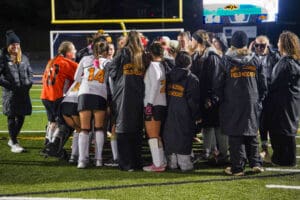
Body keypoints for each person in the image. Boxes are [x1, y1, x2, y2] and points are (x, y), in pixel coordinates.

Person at [216, 31, 267, 176]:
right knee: (251, 130)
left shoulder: (226, 60)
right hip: (252, 99)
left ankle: (237, 167)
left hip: (232, 101)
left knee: (235, 133)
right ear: (246, 42)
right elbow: (263, 84)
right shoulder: (255, 59)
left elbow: (218, 83)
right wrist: (258, 98)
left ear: (232, 43)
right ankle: (255, 162)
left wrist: (222, 98)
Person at [105, 31, 145, 171]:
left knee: (122, 127)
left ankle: (125, 163)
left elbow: (111, 69)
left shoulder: (123, 53)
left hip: (123, 95)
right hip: (139, 95)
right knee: (137, 127)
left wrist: (117, 82)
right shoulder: (143, 55)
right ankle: (136, 162)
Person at [190, 30, 228, 163]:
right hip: (202, 98)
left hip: (212, 99)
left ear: (198, 40)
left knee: (217, 126)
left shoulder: (212, 57)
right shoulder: (196, 56)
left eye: (192, 39)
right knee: (206, 126)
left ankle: (223, 154)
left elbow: (216, 80)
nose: (190, 42)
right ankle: (209, 152)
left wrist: (212, 98)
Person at [74, 40, 110, 169]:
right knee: (99, 128)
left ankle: (82, 160)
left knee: (84, 129)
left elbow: (76, 78)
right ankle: (98, 159)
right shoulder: (108, 62)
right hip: (100, 94)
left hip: (85, 93)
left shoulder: (85, 59)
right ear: (105, 52)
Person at [267, 31, 300, 167]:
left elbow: (276, 83)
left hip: (283, 102)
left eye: (280, 41)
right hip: (289, 101)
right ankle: (285, 157)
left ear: (284, 44)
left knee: (283, 129)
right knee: (287, 128)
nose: (278, 44)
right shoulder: (291, 61)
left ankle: (285, 158)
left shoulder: (287, 63)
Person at [163, 51, 200, 172]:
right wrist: (197, 116)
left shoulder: (167, 76)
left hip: (168, 113)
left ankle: (172, 163)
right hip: (185, 115)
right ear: (189, 63)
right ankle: (185, 165)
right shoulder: (192, 79)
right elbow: (193, 101)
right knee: (184, 139)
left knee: (170, 137)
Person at [0, 30, 33, 153]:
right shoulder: (3, 57)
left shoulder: (24, 57)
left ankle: (12, 138)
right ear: (8, 46)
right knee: (11, 116)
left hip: (23, 92)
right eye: (13, 45)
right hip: (10, 94)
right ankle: (14, 142)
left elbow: (30, 72)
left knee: (22, 116)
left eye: (17, 44)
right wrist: (9, 86)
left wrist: (29, 83)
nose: (15, 47)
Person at [40, 41, 78, 147]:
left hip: (45, 96)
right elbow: (82, 74)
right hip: (56, 97)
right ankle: (54, 147)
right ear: (68, 52)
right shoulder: (67, 63)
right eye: (73, 49)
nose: (75, 51)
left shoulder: (51, 61)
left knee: (52, 121)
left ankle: (48, 143)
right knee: (65, 123)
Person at [249, 35, 280, 163]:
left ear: (268, 45)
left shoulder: (275, 57)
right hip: (257, 94)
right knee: (260, 123)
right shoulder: (251, 56)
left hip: (272, 95)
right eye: (257, 45)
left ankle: (276, 151)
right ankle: (264, 149)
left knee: (272, 124)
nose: (260, 48)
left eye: (263, 45)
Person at [143, 42, 167, 172]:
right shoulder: (162, 65)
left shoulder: (153, 65)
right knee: (157, 136)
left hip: (154, 104)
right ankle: (161, 162)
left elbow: (154, 86)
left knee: (152, 136)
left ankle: (157, 164)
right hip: (162, 103)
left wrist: (149, 105)